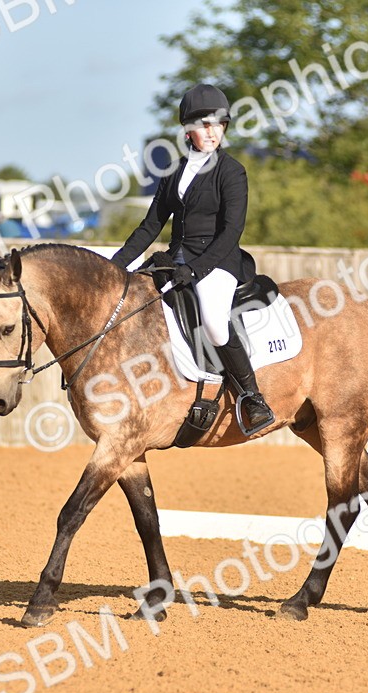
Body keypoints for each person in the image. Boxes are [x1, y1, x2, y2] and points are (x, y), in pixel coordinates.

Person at [110, 83, 275, 436]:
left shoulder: (232, 172)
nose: (213, 132)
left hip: (218, 261)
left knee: (215, 320)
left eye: (219, 125)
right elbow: (150, 225)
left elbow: (232, 231)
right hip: (177, 258)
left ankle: (252, 396)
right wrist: (115, 266)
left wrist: (196, 269)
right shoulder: (173, 172)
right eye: (205, 125)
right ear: (188, 130)